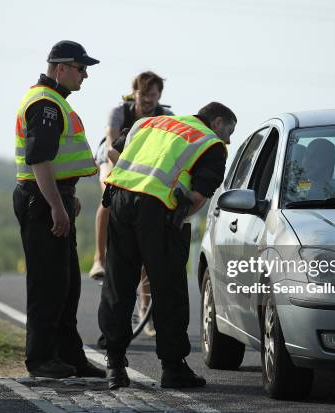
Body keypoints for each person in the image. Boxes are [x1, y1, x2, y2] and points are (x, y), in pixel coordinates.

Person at [98, 102, 236, 389]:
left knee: (118, 283)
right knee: (168, 288)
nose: (229, 140)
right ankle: (173, 369)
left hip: (120, 200)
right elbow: (198, 197)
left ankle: (114, 365)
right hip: (159, 210)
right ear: (217, 122)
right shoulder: (210, 144)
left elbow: (113, 153)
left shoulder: (150, 123)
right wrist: (174, 217)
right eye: (229, 132)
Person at [12, 40, 105, 379]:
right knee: (48, 284)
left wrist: (67, 195)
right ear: (61, 67)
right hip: (42, 200)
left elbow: (55, 161)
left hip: (53, 196)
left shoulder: (53, 101)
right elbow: (38, 160)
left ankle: (69, 356)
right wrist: (56, 205)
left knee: (66, 285)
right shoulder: (45, 104)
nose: (85, 76)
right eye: (82, 69)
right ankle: (41, 360)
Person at [92, 71, 173, 340]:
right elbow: (114, 148)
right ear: (134, 93)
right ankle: (98, 258)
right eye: (143, 94)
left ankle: (145, 308)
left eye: (154, 95)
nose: (148, 100)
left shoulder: (165, 116)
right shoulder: (119, 112)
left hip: (145, 168)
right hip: (114, 157)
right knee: (110, 192)